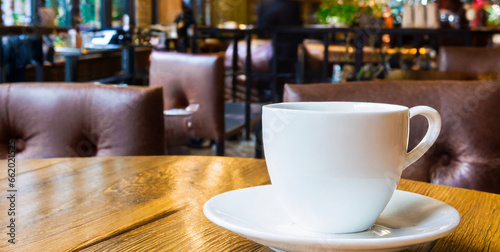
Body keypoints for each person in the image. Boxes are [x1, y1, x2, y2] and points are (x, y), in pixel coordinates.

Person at [256, 0, 303, 101]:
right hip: (292, 48)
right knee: (287, 72)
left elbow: (262, 26)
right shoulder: (294, 4)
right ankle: (280, 95)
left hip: (280, 48)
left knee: (277, 70)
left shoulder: (269, 5)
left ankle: (273, 94)